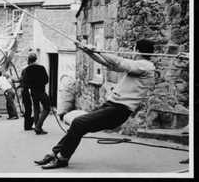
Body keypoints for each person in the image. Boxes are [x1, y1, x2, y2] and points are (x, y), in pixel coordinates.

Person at [35, 39, 155, 169]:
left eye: (133, 48)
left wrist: (97, 50)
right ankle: (54, 153)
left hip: (119, 110)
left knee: (78, 123)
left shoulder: (146, 66)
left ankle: (62, 158)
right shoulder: (139, 65)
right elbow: (107, 63)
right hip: (112, 106)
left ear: (136, 50)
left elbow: (119, 62)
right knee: (78, 127)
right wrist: (87, 51)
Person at [22, 52, 51, 135]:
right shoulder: (41, 68)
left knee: (36, 109)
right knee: (47, 108)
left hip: (33, 92)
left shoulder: (27, 69)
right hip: (41, 91)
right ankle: (38, 126)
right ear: (36, 59)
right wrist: (40, 84)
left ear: (29, 60)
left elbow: (25, 82)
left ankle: (37, 127)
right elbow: (46, 80)